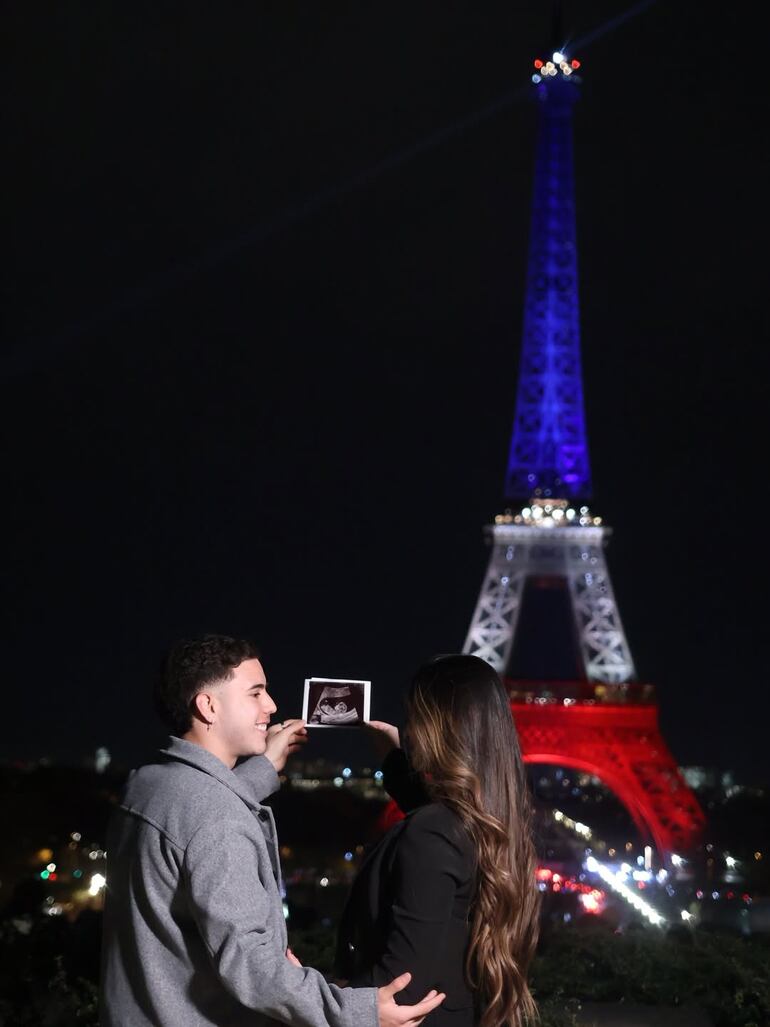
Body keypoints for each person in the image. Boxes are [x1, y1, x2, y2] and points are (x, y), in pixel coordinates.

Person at [100, 634, 445, 1027]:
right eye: (255, 693)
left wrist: (264, 768)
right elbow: (251, 964)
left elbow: (197, 818)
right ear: (208, 705)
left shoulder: (145, 784)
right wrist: (357, 1012)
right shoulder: (215, 816)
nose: (272, 705)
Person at [335, 654, 540, 1027]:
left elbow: (401, 987)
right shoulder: (493, 818)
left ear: (435, 726)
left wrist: (321, 993)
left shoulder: (434, 831)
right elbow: (444, 827)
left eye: (414, 716)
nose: (410, 729)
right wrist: (394, 760)